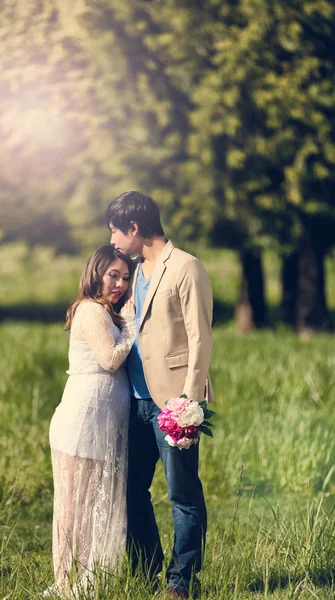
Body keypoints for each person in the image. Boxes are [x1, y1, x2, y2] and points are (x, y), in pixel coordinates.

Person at [105, 191, 213, 599]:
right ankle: (149, 571)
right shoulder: (130, 269)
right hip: (133, 402)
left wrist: (188, 403)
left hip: (172, 404)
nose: (113, 238)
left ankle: (182, 582)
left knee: (183, 494)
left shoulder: (187, 267)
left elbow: (201, 338)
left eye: (116, 230)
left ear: (135, 228)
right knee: (131, 491)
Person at [45, 245, 135, 596]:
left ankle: (89, 578)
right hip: (82, 423)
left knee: (91, 504)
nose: (120, 284)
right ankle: (66, 583)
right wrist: (130, 325)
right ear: (96, 272)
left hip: (100, 424)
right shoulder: (92, 311)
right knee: (75, 507)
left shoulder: (105, 312)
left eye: (126, 278)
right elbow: (111, 360)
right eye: (114, 275)